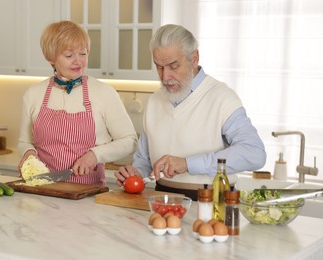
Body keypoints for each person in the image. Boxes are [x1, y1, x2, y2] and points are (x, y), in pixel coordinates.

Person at [114, 24, 266, 200]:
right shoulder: (155, 101)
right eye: (159, 67)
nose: (165, 77)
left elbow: (254, 153)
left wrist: (187, 163)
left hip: (212, 201)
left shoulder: (222, 98)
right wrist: (134, 173)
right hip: (160, 200)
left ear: (194, 59)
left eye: (173, 66)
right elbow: (144, 159)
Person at [18, 20, 137, 186]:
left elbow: (129, 140)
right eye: (69, 55)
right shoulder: (33, 94)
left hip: (87, 196)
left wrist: (95, 155)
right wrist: (29, 153)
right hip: (43, 191)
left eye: (83, 53)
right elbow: (24, 141)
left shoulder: (104, 93)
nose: (78, 61)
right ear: (50, 57)